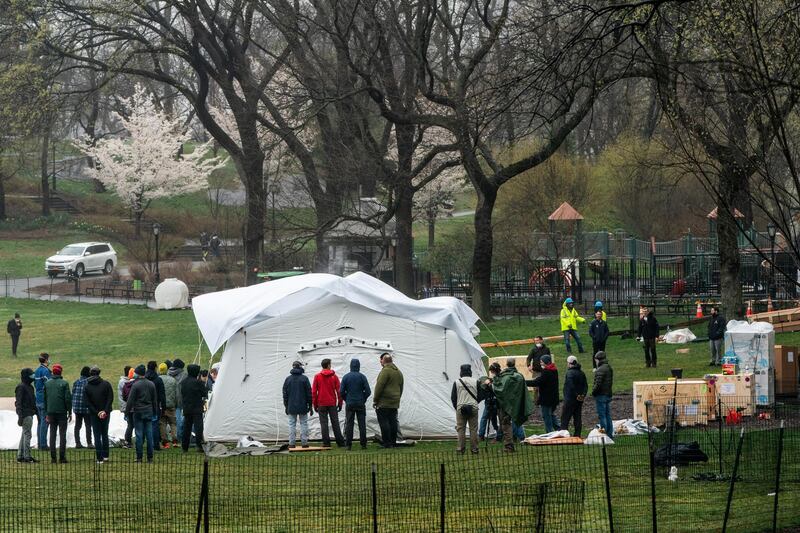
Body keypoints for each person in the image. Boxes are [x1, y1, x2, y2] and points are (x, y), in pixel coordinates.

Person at [491, 358, 533, 452]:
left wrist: (492, 383)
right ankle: (517, 439)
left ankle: (509, 446)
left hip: (505, 405)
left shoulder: (505, 377)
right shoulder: (519, 376)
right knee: (513, 423)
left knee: (506, 425)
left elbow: (500, 390)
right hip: (516, 404)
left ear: (506, 364)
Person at [126, 365, 157, 463]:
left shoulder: (136, 385)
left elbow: (130, 400)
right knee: (149, 434)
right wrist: (155, 412)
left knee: (139, 435)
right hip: (148, 411)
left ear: (138, 373)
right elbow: (154, 400)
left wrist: (127, 412)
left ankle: (139, 457)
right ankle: (150, 457)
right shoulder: (151, 384)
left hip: (138, 412)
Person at [311, 359, 345, 448]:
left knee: (324, 423)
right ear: (329, 365)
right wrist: (340, 403)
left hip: (321, 403)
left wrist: (315, 404)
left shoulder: (317, 376)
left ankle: (326, 443)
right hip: (332, 403)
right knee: (335, 423)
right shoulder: (334, 377)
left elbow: (314, 392)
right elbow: (339, 391)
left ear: (322, 366)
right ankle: (340, 442)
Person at [339, 358, 371, 450]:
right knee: (362, 424)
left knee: (349, 424)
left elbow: (341, 392)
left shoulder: (346, 377)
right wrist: (363, 398)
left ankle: (348, 445)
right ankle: (363, 444)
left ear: (350, 366)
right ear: (359, 366)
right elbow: (368, 391)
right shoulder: (362, 376)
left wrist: (346, 399)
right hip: (360, 403)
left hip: (350, 403)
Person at [373, 353, 404, 449]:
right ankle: (393, 442)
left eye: (381, 360)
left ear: (384, 361)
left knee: (384, 422)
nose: (380, 362)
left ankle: (387, 443)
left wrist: (375, 400)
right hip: (394, 402)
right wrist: (398, 397)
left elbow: (379, 387)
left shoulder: (385, 371)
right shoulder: (398, 372)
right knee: (393, 422)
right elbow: (401, 387)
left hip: (384, 402)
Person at [450, 364, 482, 454]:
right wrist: (475, 403)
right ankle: (474, 449)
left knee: (461, 429)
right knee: (473, 429)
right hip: (473, 407)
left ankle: (460, 449)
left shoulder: (457, 382)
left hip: (460, 408)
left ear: (461, 372)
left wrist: (457, 407)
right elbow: (481, 395)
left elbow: (453, 397)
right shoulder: (476, 381)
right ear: (470, 371)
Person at [84, 366, 113, 464]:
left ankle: (99, 458)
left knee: (97, 435)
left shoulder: (87, 386)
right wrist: (104, 411)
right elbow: (110, 398)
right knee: (104, 433)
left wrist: (97, 412)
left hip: (93, 414)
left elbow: (87, 402)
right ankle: (106, 456)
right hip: (106, 413)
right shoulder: (106, 384)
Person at [43, 364, 72, 464]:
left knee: (52, 434)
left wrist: (46, 412)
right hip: (61, 412)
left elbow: (45, 399)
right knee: (62, 434)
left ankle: (53, 458)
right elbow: (67, 399)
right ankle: (62, 457)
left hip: (50, 411)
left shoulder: (47, 384)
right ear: (61, 372)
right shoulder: (64, 383)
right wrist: (70, 411)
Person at [283, 361, 312, 448]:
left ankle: (291, 443)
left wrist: (286, 406)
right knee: (304, 423)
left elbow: (285, 394)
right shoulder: (304, 379)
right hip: (303, 405)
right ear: (300, 367)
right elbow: (309, 393)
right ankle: (304, 443)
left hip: (291, 405)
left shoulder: (288, 379)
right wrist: (310, 406)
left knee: (292, 424)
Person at [528, 354, 560, 433]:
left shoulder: (546, 372)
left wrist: (524, 382)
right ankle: (559, 429)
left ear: (546, 362)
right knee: (551, 414)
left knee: (546, 416)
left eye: (541, 362)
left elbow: (538, 382)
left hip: (546, 399)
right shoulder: (554, 370)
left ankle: (549, 432)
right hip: (554, 398)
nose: (540, 363)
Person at [180, 364, 208, 453]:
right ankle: (199, 446)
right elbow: (204, 393)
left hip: (187, 408)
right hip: (197, 408)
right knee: (198, 428)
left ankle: (184, 447)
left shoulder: (183, 382)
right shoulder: (198, 382)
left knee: (186, 428)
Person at [561, 355, 588, 437]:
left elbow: (571, 386)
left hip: (570, 399)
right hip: (579, 400)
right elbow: (585, 386)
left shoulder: (569, 373)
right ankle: (577, 434)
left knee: (565, 418)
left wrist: (576, 395)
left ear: (569, 363)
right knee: (577, 418)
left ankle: (564, 434)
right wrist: (582, 395)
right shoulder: (581, 373)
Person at [15, 368, 38, 463]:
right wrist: (20, 416)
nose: (33, 377)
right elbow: (18, 403)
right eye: (31, 375)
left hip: (29, 413)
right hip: (25, 414)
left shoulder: (30, 387)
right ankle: (27, 456)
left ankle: (20, 456)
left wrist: (36, 412)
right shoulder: (21, 387)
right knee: (27, 434)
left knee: (24, 434)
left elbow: (33, 401)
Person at [592, 351, 614, 437]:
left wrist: (593, 392)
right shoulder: (608, 367)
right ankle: (609, 433)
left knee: (602, 416)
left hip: (601, 395)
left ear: (598, 359)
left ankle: (604, 434)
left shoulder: (600, 370)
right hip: (608, 394)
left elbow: (597, 384)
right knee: (608, 415)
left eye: (596, 360)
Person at [71, 366, 94, 449]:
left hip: (77, 408)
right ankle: (89, 443)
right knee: (88, 425)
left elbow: (72, 394)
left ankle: (77, 443)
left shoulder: (76, 382)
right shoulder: (88, 382)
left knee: (77, 425)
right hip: (86, 408)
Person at [146, 361, 166, 451]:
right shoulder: (158, 380)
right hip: (155, 405)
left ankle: (144, 444)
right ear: (155, 368)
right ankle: (156, 445)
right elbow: (162, 395)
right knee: (154, 425)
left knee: (144, 425)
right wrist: (164, 407)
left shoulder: (144, 378)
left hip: (144, 405)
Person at [33, 353, 51, 450]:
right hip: (44, 399)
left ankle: (40, 443)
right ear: (46, 360)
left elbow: (36, 384)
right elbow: (49, 385)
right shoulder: (46, 371)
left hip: (38, 398)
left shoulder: (36, 371)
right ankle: (43, 445)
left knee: (40, 422)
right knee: (45, 421)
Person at [168, 359, 187, 444]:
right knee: (179, 421)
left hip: (169, 400)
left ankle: (172, 437)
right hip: (180, 401)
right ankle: (178, 438)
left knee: (169, 422)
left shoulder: (168, 373)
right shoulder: (184, 375)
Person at [159, 362, 178, 448]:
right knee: (173, 423)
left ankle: (165, 443)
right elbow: (176, 394)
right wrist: (176, 404)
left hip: (161, 406)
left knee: (162, 423)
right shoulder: (172, 380)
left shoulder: (158, 379)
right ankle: (174, 441)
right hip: (171, 405)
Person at [478, 373, 499, 442]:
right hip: (489, 403)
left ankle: (498, 435)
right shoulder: (486, 388)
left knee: (488, 419)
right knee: (489, 419)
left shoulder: (492, 385)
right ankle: (481, 435)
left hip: (493, 403)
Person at [117, 366, 134, 448]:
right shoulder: (125, 382)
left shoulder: (122, 381)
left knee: (130, 424)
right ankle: (128, 440)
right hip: (128, 406)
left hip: (125, 406)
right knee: (131, 424)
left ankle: (128, 440)